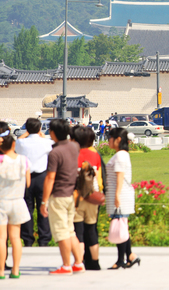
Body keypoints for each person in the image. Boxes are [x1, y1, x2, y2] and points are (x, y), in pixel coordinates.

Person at [40, 119, 84, 275]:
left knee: (61, 232)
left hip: (58, 195)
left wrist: (44, 201)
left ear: (52, 133)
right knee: (70, 231)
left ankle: (66, 266)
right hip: (70, 194)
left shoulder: (55, 152)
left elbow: (50, 178)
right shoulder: (74, 146)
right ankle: (78, 263)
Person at [0, 122, 31, 279]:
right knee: (15, 238)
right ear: (13, 144)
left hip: (1, 202)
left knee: (1, 238)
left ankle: (0, 271)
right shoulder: (23, 160)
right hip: (18, 201)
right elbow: (28, 183)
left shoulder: (0, 160)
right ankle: (16, 270)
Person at [16, 117, 53, 247]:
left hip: (26, 177)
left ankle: (28, 239)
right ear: (39, 128)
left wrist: (26, 134)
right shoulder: (45, 143)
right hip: (42, 177)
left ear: (26, 128)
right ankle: (44, 239)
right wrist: (41, 135)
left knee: (27, 209)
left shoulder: (21, 143)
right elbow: (51, 144)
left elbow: (17, 142)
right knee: (43, 207)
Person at [105, 128, 140, 269]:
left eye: (110, 138)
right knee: (122, 227)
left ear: (118, 139)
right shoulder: (122, 154)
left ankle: (121, 260)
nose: (108, 141)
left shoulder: (120, 155)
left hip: (120, 195)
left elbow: (120, 176)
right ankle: (130, 256)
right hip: (121, 195)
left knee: (120, 227)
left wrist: (117, 196)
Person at [72, 126, 104, 270]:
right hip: (92, 196)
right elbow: (100, 179)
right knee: (91, 230)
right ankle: (95, 262)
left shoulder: (73, 154)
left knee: (78, 231)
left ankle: (80, 261)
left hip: (77, 198)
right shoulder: (95, 155)